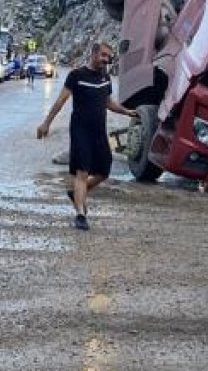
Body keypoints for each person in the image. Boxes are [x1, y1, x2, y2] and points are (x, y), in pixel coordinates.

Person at [36, 42, 137, 231]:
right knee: (82, 172)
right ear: (93, 54)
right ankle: (80, 214)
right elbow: (60, 101)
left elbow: (108, 102)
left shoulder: (105, 78)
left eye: (109, 57)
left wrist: (126, 112)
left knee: (103, 172)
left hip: (99, 131)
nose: (106, 60)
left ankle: (76, 194)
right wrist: (46, 123)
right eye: (103, 55)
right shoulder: (76, 76)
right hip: (80, 131)